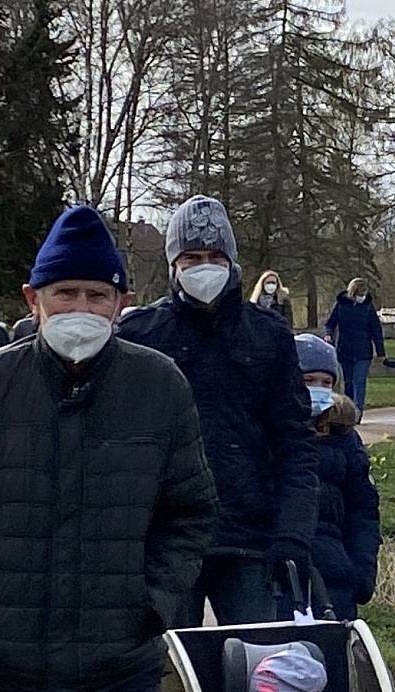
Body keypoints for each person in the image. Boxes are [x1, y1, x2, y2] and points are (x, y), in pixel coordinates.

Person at [0, 206, 218, 692]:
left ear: (121, 303)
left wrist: (153, 603)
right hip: (5, 660)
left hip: (118, 665)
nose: (81, 309)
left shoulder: (159, 386)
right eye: (65, 294)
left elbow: (190, 512)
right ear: (33, 299)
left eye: (97, 295)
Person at [118, 194, 319, 628]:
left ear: (231, 260)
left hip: (249, 539)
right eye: (191, 257)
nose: (204, 266)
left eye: (214, 256)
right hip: (165, 543)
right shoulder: (140, 336)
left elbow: (295, 442)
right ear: (174, 264)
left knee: (256, 665)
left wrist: (294, 532)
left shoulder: (269, 336)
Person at [293, 334, 381, 620]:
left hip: (336, 574)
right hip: (284, 574)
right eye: (309, 380)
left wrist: (361, 571)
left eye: (326, 382)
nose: (318, 389)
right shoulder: (271, 434)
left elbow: (363, 511)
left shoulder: (345, 439)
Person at [324, 277, 386, 414]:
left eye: (364, 294)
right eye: (360, 294)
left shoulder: (368, 308)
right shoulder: (340, 306)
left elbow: (376, 329)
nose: (362, 297)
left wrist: (380, 351)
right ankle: (349, 411)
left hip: (363, 350)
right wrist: (328, 335)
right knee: (348, 382)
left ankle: (358, 411)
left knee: (359, 380)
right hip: (344, 349)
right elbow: (330, 324)